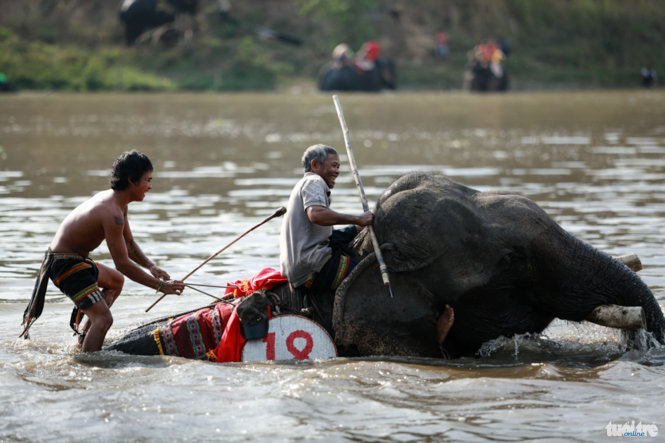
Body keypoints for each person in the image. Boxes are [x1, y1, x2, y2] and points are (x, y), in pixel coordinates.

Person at [21, 150, 185, 352]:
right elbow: (123, 263)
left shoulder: (119, 204)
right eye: (147, 180)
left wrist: (151, 266)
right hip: (63, 263)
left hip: (74, 259)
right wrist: (161, 287)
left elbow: (130, 243)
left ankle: (84, 339)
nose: (150, 187)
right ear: (131, 180)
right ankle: (88, 364)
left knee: (116, 281)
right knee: (104, 319)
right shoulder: (112, 212)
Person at [280, 144, 374, 294]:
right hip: (312, 266)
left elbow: (325, 236)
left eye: (338, 167)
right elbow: (316, 214)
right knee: (371, 275)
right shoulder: (314, 181)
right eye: (334, 166)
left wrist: (356, 229)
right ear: (315, 165)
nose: (337, 171)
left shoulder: (303, 185)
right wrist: (358, 219)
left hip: (298, 270)